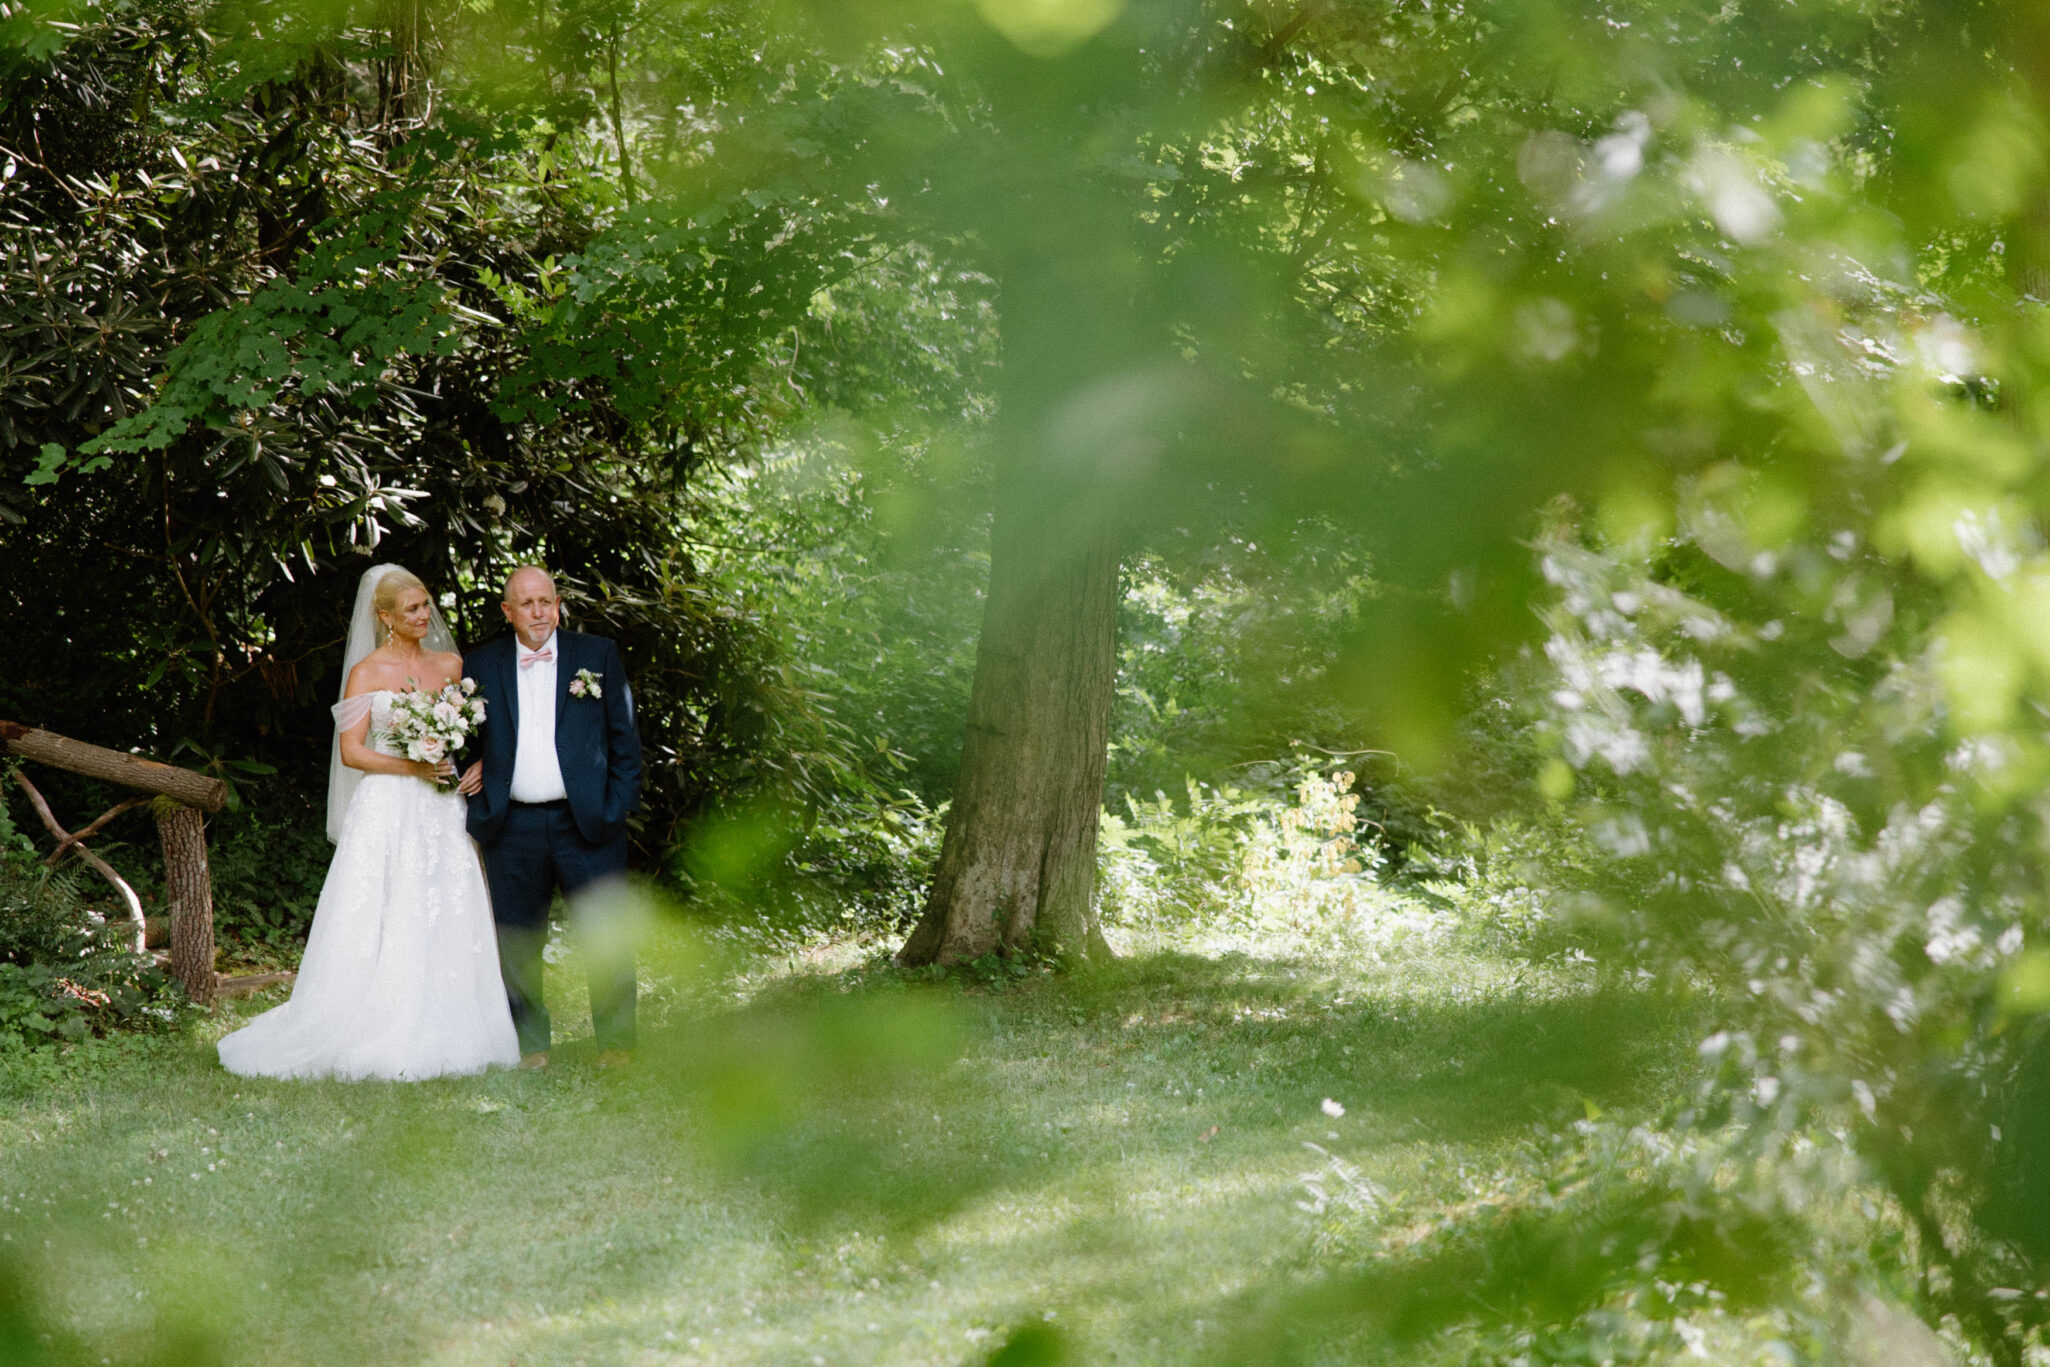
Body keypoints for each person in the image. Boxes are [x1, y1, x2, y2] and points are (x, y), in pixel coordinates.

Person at [218, 565, 520, 1080]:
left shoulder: (451, 665)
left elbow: (484, 730)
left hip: (441, 806)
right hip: (388, 804)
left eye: (426, 605)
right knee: (383, 905)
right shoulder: (367, 672)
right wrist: (414, 766)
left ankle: (458, 1022)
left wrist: (477, 761)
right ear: (384, 618)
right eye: (412, 609)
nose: (424, 615)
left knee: (447, 902)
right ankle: (371, 1019)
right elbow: (353, 752)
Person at [460, 565, 643, 1070]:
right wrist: (476, 769)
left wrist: (616, 808)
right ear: (508, 611)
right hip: (511, 824)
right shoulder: (481, 663)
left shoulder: (596, 655)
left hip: (587, 823)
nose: (539, 612)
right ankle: (531, 1046)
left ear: (558, 604)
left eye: (546, 601)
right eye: (527, 604)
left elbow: (625, 739)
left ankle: (617, 1044)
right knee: (517, 939)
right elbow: (462, 736)